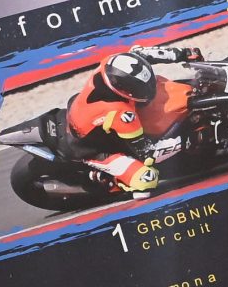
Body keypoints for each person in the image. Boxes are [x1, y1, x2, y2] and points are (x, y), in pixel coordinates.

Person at [62, 43, 209, 190]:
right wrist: (186, 140)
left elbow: (141, 53)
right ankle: (111, 179)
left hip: (83, 113)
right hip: (94, 149)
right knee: (147, 178)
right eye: (139, 89)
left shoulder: (114, 63)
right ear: (123, 90)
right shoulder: (120, 112)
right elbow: (149, 152)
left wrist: (183, 53)